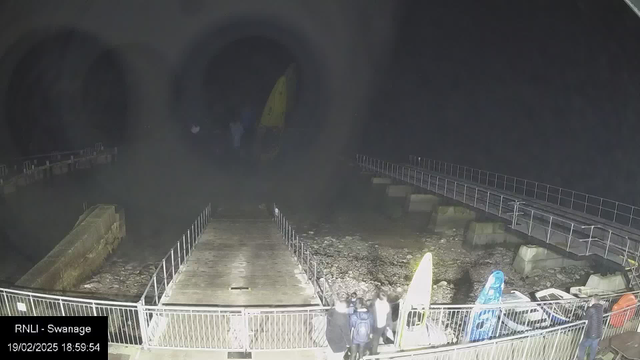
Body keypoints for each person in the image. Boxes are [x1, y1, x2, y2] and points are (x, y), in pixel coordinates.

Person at [576, 296, 603, 360]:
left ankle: (580, 358)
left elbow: (584, 319)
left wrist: (588, 307)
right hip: (599, 333)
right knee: (593, 348)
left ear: (593, 300)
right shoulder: (600, 307)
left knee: (582, 346)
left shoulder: (591, 309)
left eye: (591, 300)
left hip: (591, 333)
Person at [326, 294, 352, 360]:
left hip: (330, 337)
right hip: (338, 342)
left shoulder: (331, 312)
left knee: (330, 355)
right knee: (338, 357)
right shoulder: (343, 318)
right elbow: (346, 333)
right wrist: (349, 343)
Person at [370, 291, 393, 355]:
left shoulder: (374, 303)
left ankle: (373, 351)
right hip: (382, 323)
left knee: (375, 338)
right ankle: (374, 353)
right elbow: (388, 314)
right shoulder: (386, 304)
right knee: (376, 339)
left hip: (374, 323)